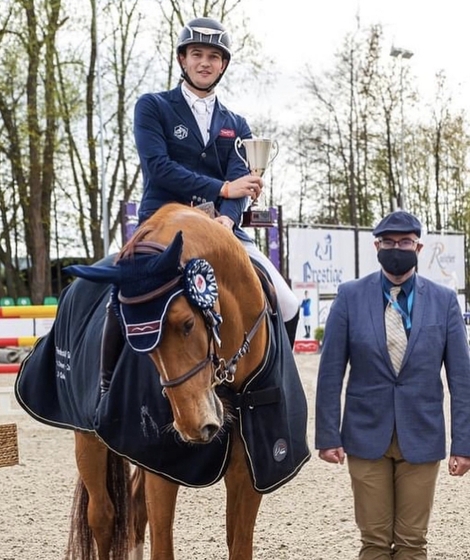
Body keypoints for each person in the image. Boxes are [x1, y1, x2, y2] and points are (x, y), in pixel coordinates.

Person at [99, 17, 300, 392]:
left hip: (223, 232)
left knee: (286, 303)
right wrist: (223, 189)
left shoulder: (236, 124)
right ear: (182, 59)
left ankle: (271, 389)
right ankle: (106, 387)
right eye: (196, 54)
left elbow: (243, 180)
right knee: (120, 296)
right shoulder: (153, 107)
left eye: (213, 56)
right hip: (163, 229)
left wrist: (227, 218)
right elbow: (159, 168)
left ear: (223, 64)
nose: (204, 62)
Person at [315, 210, 470, 559]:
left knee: (413, 542)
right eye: (388, 242)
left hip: (422, 435)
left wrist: (464, 444)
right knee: (373, 542)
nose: (396, 248)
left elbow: (462, 380)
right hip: (365, 436)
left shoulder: (444, 301)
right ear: (377, 246)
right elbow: (329, 373)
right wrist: (327, 436)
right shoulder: (350, 296)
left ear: (418, 247)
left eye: (404, 242)